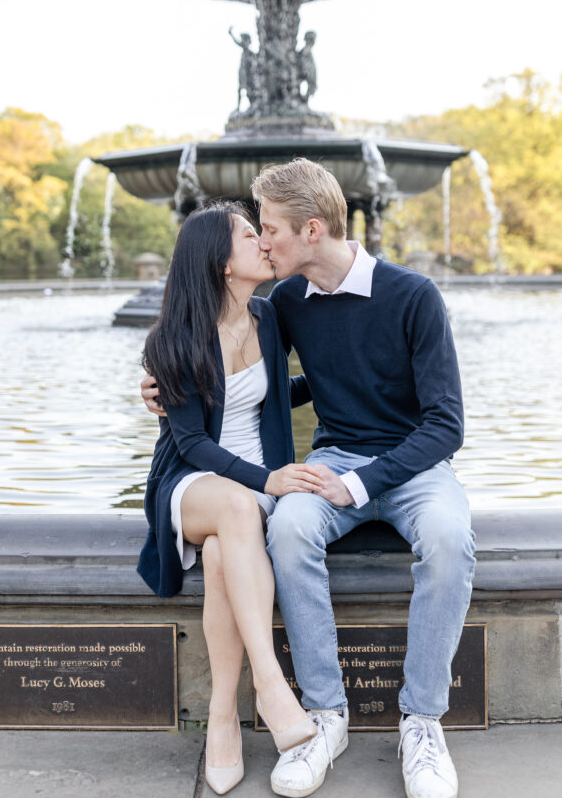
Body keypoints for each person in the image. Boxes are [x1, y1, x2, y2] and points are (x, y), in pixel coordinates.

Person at [142, 160, 475, 798]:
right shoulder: (287, 302)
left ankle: (423, 721)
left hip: (413, 464)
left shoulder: (414, 296)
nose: (263, 242)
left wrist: (363, 483)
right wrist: (170, 388)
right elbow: (258, 374)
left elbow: (446, 425)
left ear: (312, 229)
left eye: (269, 230)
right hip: (330, 459)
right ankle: (324, 715)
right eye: (256, 233)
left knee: (449, 537)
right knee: (289, 528)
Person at [137, 202, 320, 795]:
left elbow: (277, 395)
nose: (264, 243)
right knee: (236, 509)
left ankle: (222, 720)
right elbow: (189, 440)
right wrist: (267, 481)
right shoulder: (174, 337)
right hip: (192, 482)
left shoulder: (269, 316)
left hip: (252, 489)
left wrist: (349, 377)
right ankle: (271, 687)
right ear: (220, 262)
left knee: (222, 555)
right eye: (250, 235)